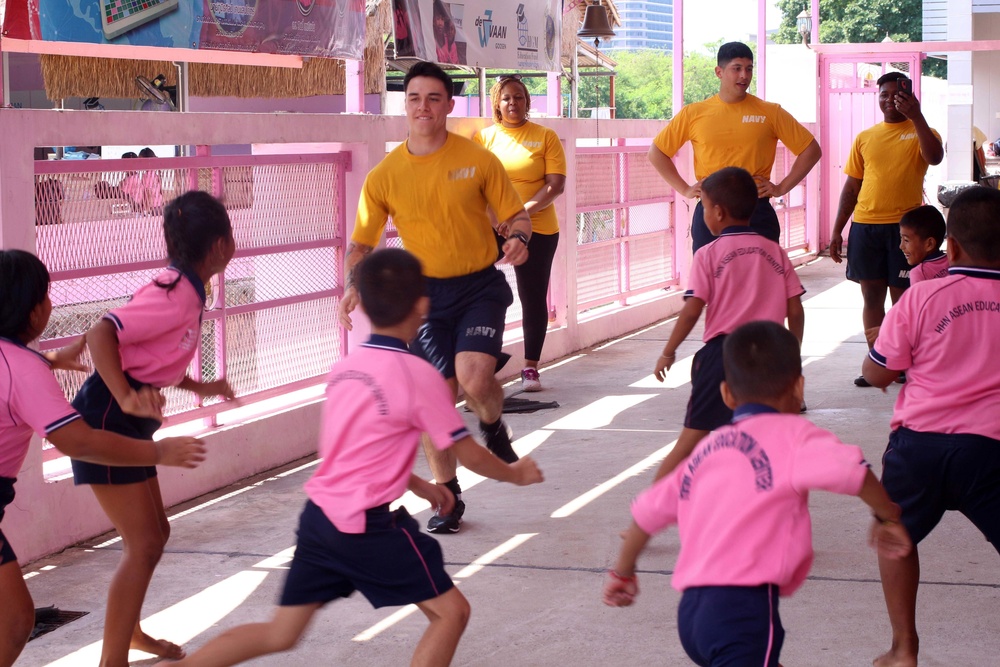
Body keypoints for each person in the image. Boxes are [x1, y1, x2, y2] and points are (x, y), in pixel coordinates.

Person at [156, 248, 543, 667]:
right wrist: (515, 473)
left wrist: (420, 484)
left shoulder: (347, 368)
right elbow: (468, 456)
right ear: (423, 304)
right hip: (365, 529)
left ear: (364, 306)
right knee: (452, 613)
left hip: (320, 519)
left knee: (280, 633)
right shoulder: (421, 377)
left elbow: (356, 448)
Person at [604, 320, 912, 667]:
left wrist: (622, 573)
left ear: (727, 395)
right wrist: (888, 516)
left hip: (692, 615)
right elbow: (854, 473)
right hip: (744, 614)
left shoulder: (708, 450)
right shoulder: (796, 436)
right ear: (799, 387)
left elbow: (646, 514)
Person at [338, 62, 533, 535]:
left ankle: (491, 423)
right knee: (435, 399)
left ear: (449, 104)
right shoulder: (385, 175)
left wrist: (519, 239)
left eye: (433, 98)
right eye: (414, 99)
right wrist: (351, 283)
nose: (423, 107)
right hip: (424, 299)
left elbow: (516, 217)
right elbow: (361, 244)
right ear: (404, 106)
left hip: (479, 285)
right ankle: (448, 499)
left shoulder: (477, 158)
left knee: (473, 378)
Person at [0, 249, 205, 667]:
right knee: (15, 621)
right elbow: (80, 442)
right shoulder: (22, 369)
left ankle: (128, 633)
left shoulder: (20, 363)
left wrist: (50, 361)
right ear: (35, 307)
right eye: (46, 295)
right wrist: (159, 451)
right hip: (111, 428)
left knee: (151, 537)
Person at [70, 191, 237, 664]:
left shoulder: (186, 288)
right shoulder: (173, 293)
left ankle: (131, 632)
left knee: (153, 536)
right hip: (106, 417)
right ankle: (113, 659)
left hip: (128, 420)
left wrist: (200, 386)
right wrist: (124, 396)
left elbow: (153, 355)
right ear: (222, 245)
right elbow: (103, 332)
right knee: (143, 543)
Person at [862, 186, 1000, 667]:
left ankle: (904, 647)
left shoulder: (921, 296)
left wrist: (883, 344)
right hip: (991, 450)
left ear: (953, 247)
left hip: (918, 446)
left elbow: (878, 372)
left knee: (893, 532)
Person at [650, 167, 804, 482]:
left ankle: (648, 509)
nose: (703, 213)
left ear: (718, 212)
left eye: (703, 206)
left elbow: (693, 310)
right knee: (768, 438)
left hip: (724, 355)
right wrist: (791, 355)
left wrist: (668, 351)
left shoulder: (708, 254)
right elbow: (796, 311)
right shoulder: (775, 252)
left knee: (691, 441)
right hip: (770, 354)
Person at [648, 41, 821, 253]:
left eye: (749, 69)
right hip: (711, 210)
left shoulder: (770, 112)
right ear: (719, 72)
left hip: (756, 210)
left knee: (759, 280)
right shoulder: (693, 113)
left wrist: (781, 187)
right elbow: (657, 152)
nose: (744, 76)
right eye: (736, 68)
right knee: (712, 281)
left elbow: (811, 150)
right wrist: (685, 189)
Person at [829, 72, 944, 388]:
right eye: (883, 94)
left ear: (908, 96)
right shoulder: (866, 137)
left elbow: (934, 157)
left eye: (896, 94)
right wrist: (838, 230)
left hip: (903, 231)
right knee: (871, 298)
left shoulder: (922, 131)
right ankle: (878, 362)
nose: (888, 99)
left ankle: (905, 363)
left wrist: (916, 115)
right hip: (865, 227)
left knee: (903, 301)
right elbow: (852, 187)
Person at [475, 74, 567, 392]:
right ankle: (484, 361)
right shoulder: (484, 139)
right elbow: (476, 187)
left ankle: (530, 368)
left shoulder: (545, 136)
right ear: (497, 104)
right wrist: (497, 218)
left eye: (518, 97)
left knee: (532, 296)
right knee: (478, 290)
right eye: (506, 98)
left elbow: (555, 185)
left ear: (527, 101)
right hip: (494, 226)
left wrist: (521, 213)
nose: (512, 103)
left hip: (538, 227)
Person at [899, 205, 948, 285]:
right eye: (901, 239)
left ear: (929, 244)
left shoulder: (919, 274)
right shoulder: (954, 261)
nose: (901, 246)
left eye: (906, 240)